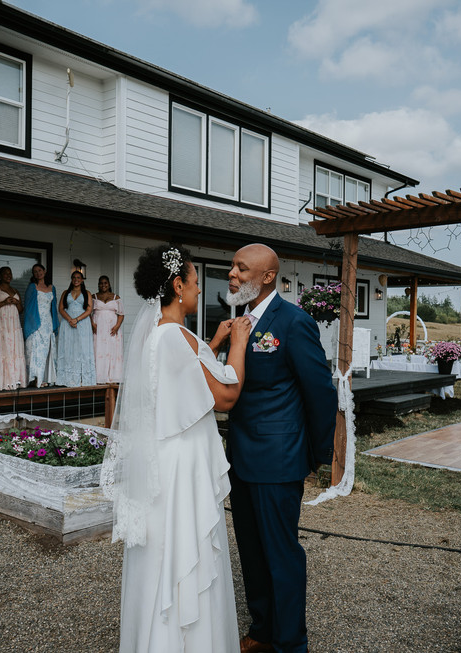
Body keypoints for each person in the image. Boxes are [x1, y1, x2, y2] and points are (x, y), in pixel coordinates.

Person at [100, 244, 251, 653]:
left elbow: (184, 382)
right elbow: (222, 396)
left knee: (163, 557)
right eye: (197, 282)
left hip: (165, 461)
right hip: (182, 465)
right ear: (178, 284)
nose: (200, 290)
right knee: (186, 557)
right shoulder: (176, 337)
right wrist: (237, 339)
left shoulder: (157, 335)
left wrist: (213, 343)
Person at [223, 243, 338, 653]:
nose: (232, 274)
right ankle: (262, 630)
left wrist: (315, 457)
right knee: (251, 554)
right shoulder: (238, 322)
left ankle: (291, 644)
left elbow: (321, 395)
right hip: (239, 457)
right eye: (232, 267)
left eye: (241, 268)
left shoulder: (293, 322)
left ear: (267, 276)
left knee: (282, 556)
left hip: (279, 461)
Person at [57, 270, 96, 387]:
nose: (76, 279)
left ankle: (82, 378)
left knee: (82, 349)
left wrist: (76, 319)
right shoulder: (65, 292)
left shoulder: (87, 293)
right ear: (71, 279)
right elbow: (61, 309)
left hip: (82, 323)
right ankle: (67, 378)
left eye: (78, 277)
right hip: (67, 324)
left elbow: (89, 310)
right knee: (68, 348)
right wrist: (70, 319)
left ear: (82, 280)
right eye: (74, 277)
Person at [23, 263, 59, 387]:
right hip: (36, 322)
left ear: (44, 271)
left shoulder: (51, 288)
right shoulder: (32, 287)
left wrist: (54, 324)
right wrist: (33, 324)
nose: (38, 273)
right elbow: (28, 308)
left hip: (48, 322)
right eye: (35, 272)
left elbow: (53, 307)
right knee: (35, 350)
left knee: (46, 351)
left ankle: (44, 378)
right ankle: (35, 378)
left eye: (39, 270)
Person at [91, 275, 125, 383]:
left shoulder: (116, 297)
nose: (103, 285)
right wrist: (92, 324)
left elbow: (121, 314)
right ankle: (99, 376)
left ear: (109, 284)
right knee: (98, 349)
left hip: (112, 328)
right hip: (98, 327)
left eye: (105, 283)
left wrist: (117, 326)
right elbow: (88, 313)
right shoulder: (93, 297)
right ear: (98, 285)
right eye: (101, 283)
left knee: (112, 350)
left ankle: (112, 376)